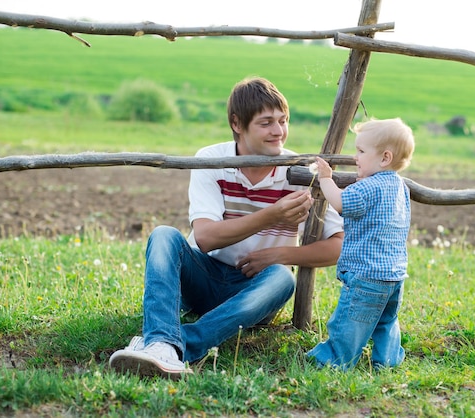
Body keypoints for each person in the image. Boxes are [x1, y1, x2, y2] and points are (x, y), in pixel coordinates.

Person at [109, 77, 344, 379]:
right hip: (204, 276)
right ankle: (162, 344)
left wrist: (277, 255)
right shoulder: (211, 160)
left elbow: (338, 246)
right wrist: (273, 215)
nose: (279, 131)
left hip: (255, 291)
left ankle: (169, 344)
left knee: (283, 279)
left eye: (283, 121)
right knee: (164, 236)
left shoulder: (299, 171)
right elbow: (205, 239)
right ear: (237, 123)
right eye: (266, 122)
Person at [306, 117, 415, 371]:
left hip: (366, 275)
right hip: (394, 275)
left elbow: (341, 202)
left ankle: (334, 359)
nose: (355, 156)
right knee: (386, 321)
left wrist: (325, 178)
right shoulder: (400, 187)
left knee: (349, 323)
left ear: (385, 158)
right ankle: (387, 361)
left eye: (361, 151)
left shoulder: (367, 188)